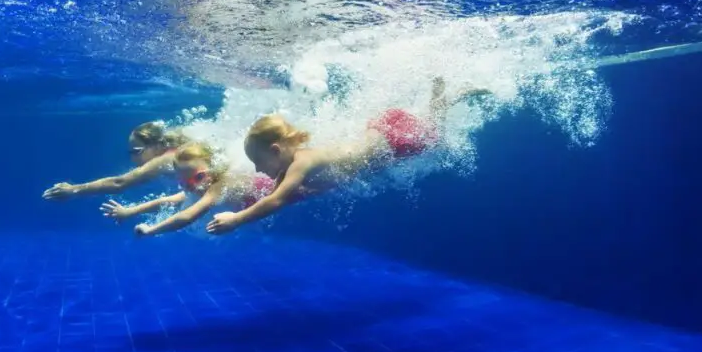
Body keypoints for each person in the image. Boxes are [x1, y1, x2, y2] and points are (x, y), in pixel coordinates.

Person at [206, 77, 491, 234]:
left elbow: (275, 200)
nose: (256, 170)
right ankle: (437, 101)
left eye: (258, 163)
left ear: (276, 151)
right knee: (428, 129)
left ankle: (450, 98)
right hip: (381, 129)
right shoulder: (293, 165)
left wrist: (237, 220)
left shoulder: (302, 163)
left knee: (434, 136)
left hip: (392, 142)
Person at [99, 142, 277, 238]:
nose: (192, 186)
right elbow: (168, 201)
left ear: (213, 170)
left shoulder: (218, 184)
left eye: (198, 178)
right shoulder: (200, 185)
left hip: (285, 192)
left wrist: (151, 230)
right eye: (184, 182)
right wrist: (129, 212)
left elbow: (188, 215)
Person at [42, 122, 190, 201]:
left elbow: (119, 183)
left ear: (158, 146)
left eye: (136, 151)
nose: (133, 158)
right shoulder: (178, 157)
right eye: (130, 153)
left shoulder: (167, 158)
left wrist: (73, 190)